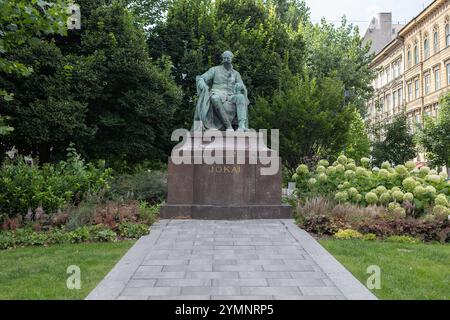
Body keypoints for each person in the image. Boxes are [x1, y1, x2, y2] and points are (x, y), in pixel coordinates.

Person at [193, 51, 250, 132]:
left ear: (231, 58)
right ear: (222, 59)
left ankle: (242, 125)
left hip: (231, 96)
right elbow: (202, 78)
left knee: (240, 97)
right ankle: (228, 126)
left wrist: (241, 86)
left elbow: (242, 85)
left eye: (228, 58)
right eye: (224, 58)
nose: (226, 59)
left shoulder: (236, 73)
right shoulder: (214, 70)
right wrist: (201, 82)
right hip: (217, 93)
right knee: (214, 98)